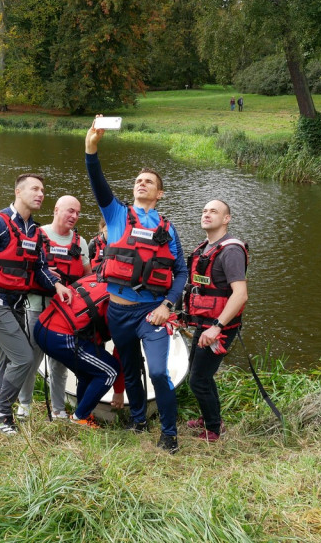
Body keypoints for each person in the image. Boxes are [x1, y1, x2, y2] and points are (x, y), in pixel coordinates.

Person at [84, 118, 189, 454]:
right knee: (129, 369)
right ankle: (139, 419)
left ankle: (169, 434)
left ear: (159, 194)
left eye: (150, 182)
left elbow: (182, 273)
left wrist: (167, 305)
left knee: (158, 371)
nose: (142, 184)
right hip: (118, 312)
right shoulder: (116, 215)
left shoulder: (168, 229)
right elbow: (98, 183)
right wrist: (91, 149)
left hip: (151, 312)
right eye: (139, 180)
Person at [0, 174, 72, 436]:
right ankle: (2, 414)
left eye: (43, 190)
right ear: (18, 192)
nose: (41, 194)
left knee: (7, 360)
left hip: (15, 304)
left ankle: (0, 413)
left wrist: (57, 285)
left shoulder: (33, 231)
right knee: (23, 358)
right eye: (35, 189)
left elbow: (40, 267)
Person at [17, 195, 91, 420]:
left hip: (64, 312)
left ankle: (58, 410)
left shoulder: (81, 242)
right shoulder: (38, 235)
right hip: (36, 306)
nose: (74, 216)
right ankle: (24, 405)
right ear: (57, 209)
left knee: (59, 360)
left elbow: (88, 277)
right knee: (32, 356)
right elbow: (23, 267)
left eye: (77, 213)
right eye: (70, 211)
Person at [182, 199, 249, 443]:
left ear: (226, 219)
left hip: (218, 328)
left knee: (198, 379)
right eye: (204, 211)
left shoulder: (230, 250)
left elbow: (240, 294)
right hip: (205, 324)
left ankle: (213, 430)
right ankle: (211, 418)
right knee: (201, 375)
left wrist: (216, 327)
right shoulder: (206, 248)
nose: (207, 215)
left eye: (214, 211)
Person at [32, 274, 120, 428]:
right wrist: (119, 390)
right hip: (60, 337)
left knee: (89, 373)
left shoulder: (97, 279)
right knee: (110, 371)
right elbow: (120, 346)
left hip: (42, 327)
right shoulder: (121, 300)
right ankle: (80, 417)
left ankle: (82, 411)